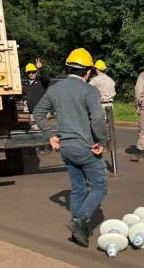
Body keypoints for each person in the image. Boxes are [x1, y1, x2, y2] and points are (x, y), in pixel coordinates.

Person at [33, 48, 108, 248]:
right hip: (86, 148)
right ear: (88, 71)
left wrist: (51, 135)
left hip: (66, 148)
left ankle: (79, 231)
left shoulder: (55, 89)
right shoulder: (89, 90)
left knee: (77, 190)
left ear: (68, 68)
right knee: (99, 186)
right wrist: (102, 142)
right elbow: (98, 119)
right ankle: (79, 220)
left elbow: (38, 113)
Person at [90, 59, 118, 172]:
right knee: (109, 127)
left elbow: (87, 89)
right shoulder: (110, 80)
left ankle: (101, 145)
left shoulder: (95, 80)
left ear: (96, 69)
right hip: (110, 105)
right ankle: (108, 144)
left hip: (100, 105)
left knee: (98, 126)